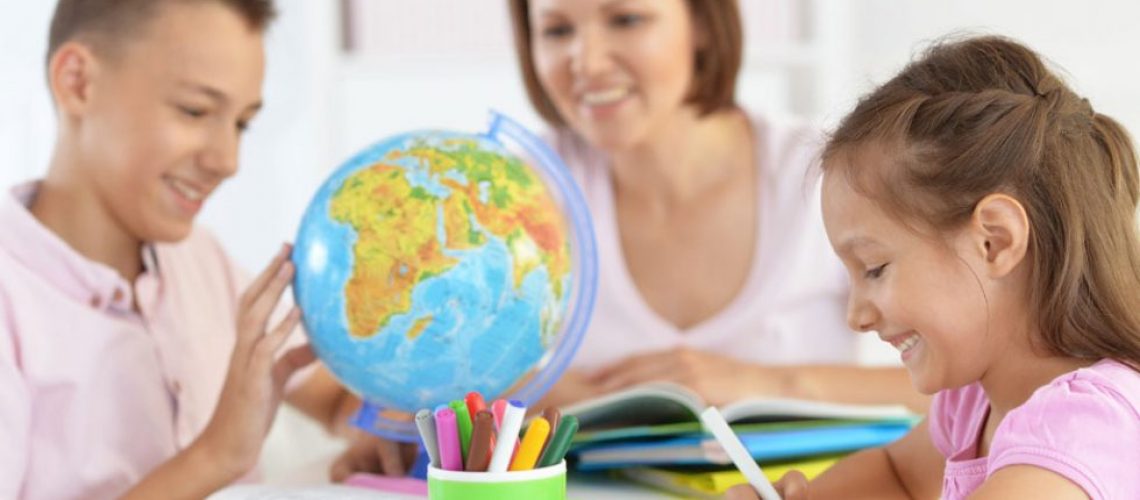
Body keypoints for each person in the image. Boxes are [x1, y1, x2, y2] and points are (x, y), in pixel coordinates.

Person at [0, 1, 412, 498]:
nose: (227, 160)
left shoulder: (198, 259)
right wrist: (217, 455)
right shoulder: (14, 298)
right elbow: (227, 447)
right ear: (77, 82)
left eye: (241, 123)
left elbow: (331, 398)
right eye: (194, 110)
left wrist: (380, 433)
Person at [729, 35, 1140, 499]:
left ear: (995, 240)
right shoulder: (975, 400)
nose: (857, 316)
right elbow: (898, 476)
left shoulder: (1082, 429)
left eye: (875, 268)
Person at [507, 0, 923, 410]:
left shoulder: (828, 174)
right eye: (557, 30)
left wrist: (767, 384)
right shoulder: (515, 195)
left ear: (702, 21)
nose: (588, 63)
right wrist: (617, 404)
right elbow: (453, 386)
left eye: (626, 19)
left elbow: (969, 383)